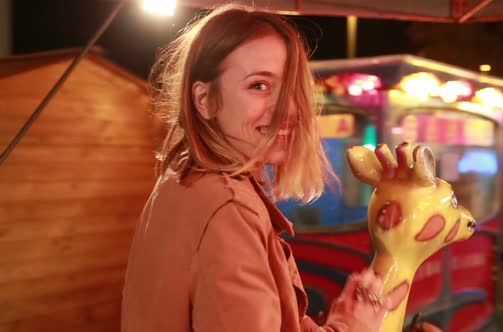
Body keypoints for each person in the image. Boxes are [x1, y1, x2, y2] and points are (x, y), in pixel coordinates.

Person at [121, 4, 406, 331]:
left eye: (289, 87)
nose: (286, 107)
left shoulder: (181, 181)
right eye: (259, 85)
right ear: (205, 100)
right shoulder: (229, 211)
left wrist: (341, 323)